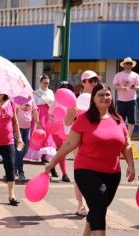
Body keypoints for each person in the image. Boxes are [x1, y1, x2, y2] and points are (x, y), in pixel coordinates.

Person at [45, 83, 136, 236]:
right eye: (100, 94)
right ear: (93, 99)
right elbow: (69, 143)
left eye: (107, 94)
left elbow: (126, 145)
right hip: (86, 171)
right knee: (99, 206)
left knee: (97, 208)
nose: (105, 97)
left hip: (112, 173)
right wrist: (54, 160)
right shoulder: (84, 119)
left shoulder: (118, 119)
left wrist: (131, 165)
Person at [65, 70, 100, 215]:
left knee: (97, 173)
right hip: (79, 141)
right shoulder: (75, 101)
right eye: (90, 80)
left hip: (97, 141)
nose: (93, 83)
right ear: (83, 82)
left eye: (95, 80)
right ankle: (80, 204)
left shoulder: (101, 98)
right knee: (80, 173)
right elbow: (67, 124)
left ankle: (94, 201)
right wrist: (72, 113)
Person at [31, 74, 56, 165]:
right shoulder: (36, 92)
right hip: (40, 114)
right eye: (45, 83)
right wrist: (36, 119)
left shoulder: (50, 92)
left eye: (48, 83)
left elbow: (53, 104)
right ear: (40, 82)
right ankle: (39, 155)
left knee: (48, 134)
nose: (46, 85)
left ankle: (45, 156)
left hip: (48, 114)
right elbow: (34, 106)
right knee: (40, 134)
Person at [14, 94, 39, 183]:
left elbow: (35, 111)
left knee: (25, 149)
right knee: (19, 149)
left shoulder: (31, 98)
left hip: (27, 128)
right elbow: (12, 112)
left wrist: (38, 124)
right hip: (17, 128)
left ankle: (15, 166)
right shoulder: (15, 98)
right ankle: (21, 172)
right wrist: (16, 111)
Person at [113, 57, 139, 137]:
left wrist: (134, 87)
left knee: (131, 121)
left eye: (130, 63)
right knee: (120, 120)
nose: (128, 65)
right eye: (127, 63)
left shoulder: (136, 75)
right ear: (124, 65)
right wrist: (121, 88)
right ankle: (121, 136)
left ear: (132, 65)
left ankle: (128, 138)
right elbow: (115, 86)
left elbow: (138, 87)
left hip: (132, 101)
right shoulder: (118, 75)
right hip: (121, 101)